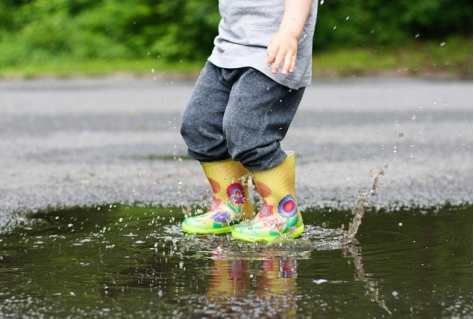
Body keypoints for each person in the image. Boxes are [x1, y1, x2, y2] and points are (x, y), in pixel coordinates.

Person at [180, 0, 318, 242]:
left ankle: (282, 213)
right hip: (226, 51)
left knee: (247, 131)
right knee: (199, 124)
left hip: (274, 54)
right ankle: (232, 206)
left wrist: (289, 33)